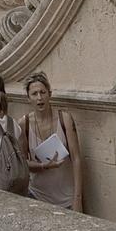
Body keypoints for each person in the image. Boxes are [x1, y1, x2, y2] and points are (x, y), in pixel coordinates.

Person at [20, 71, 83, 212]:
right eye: (34, 94)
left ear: (50, 94)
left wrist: (77, 198)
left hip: (67, 197)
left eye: (43, 92)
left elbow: (77, 158)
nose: (39, 98)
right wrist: (43, 166)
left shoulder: (65, 119)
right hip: (37, 196)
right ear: (28, 98)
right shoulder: (24, 123)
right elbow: (23, 162)